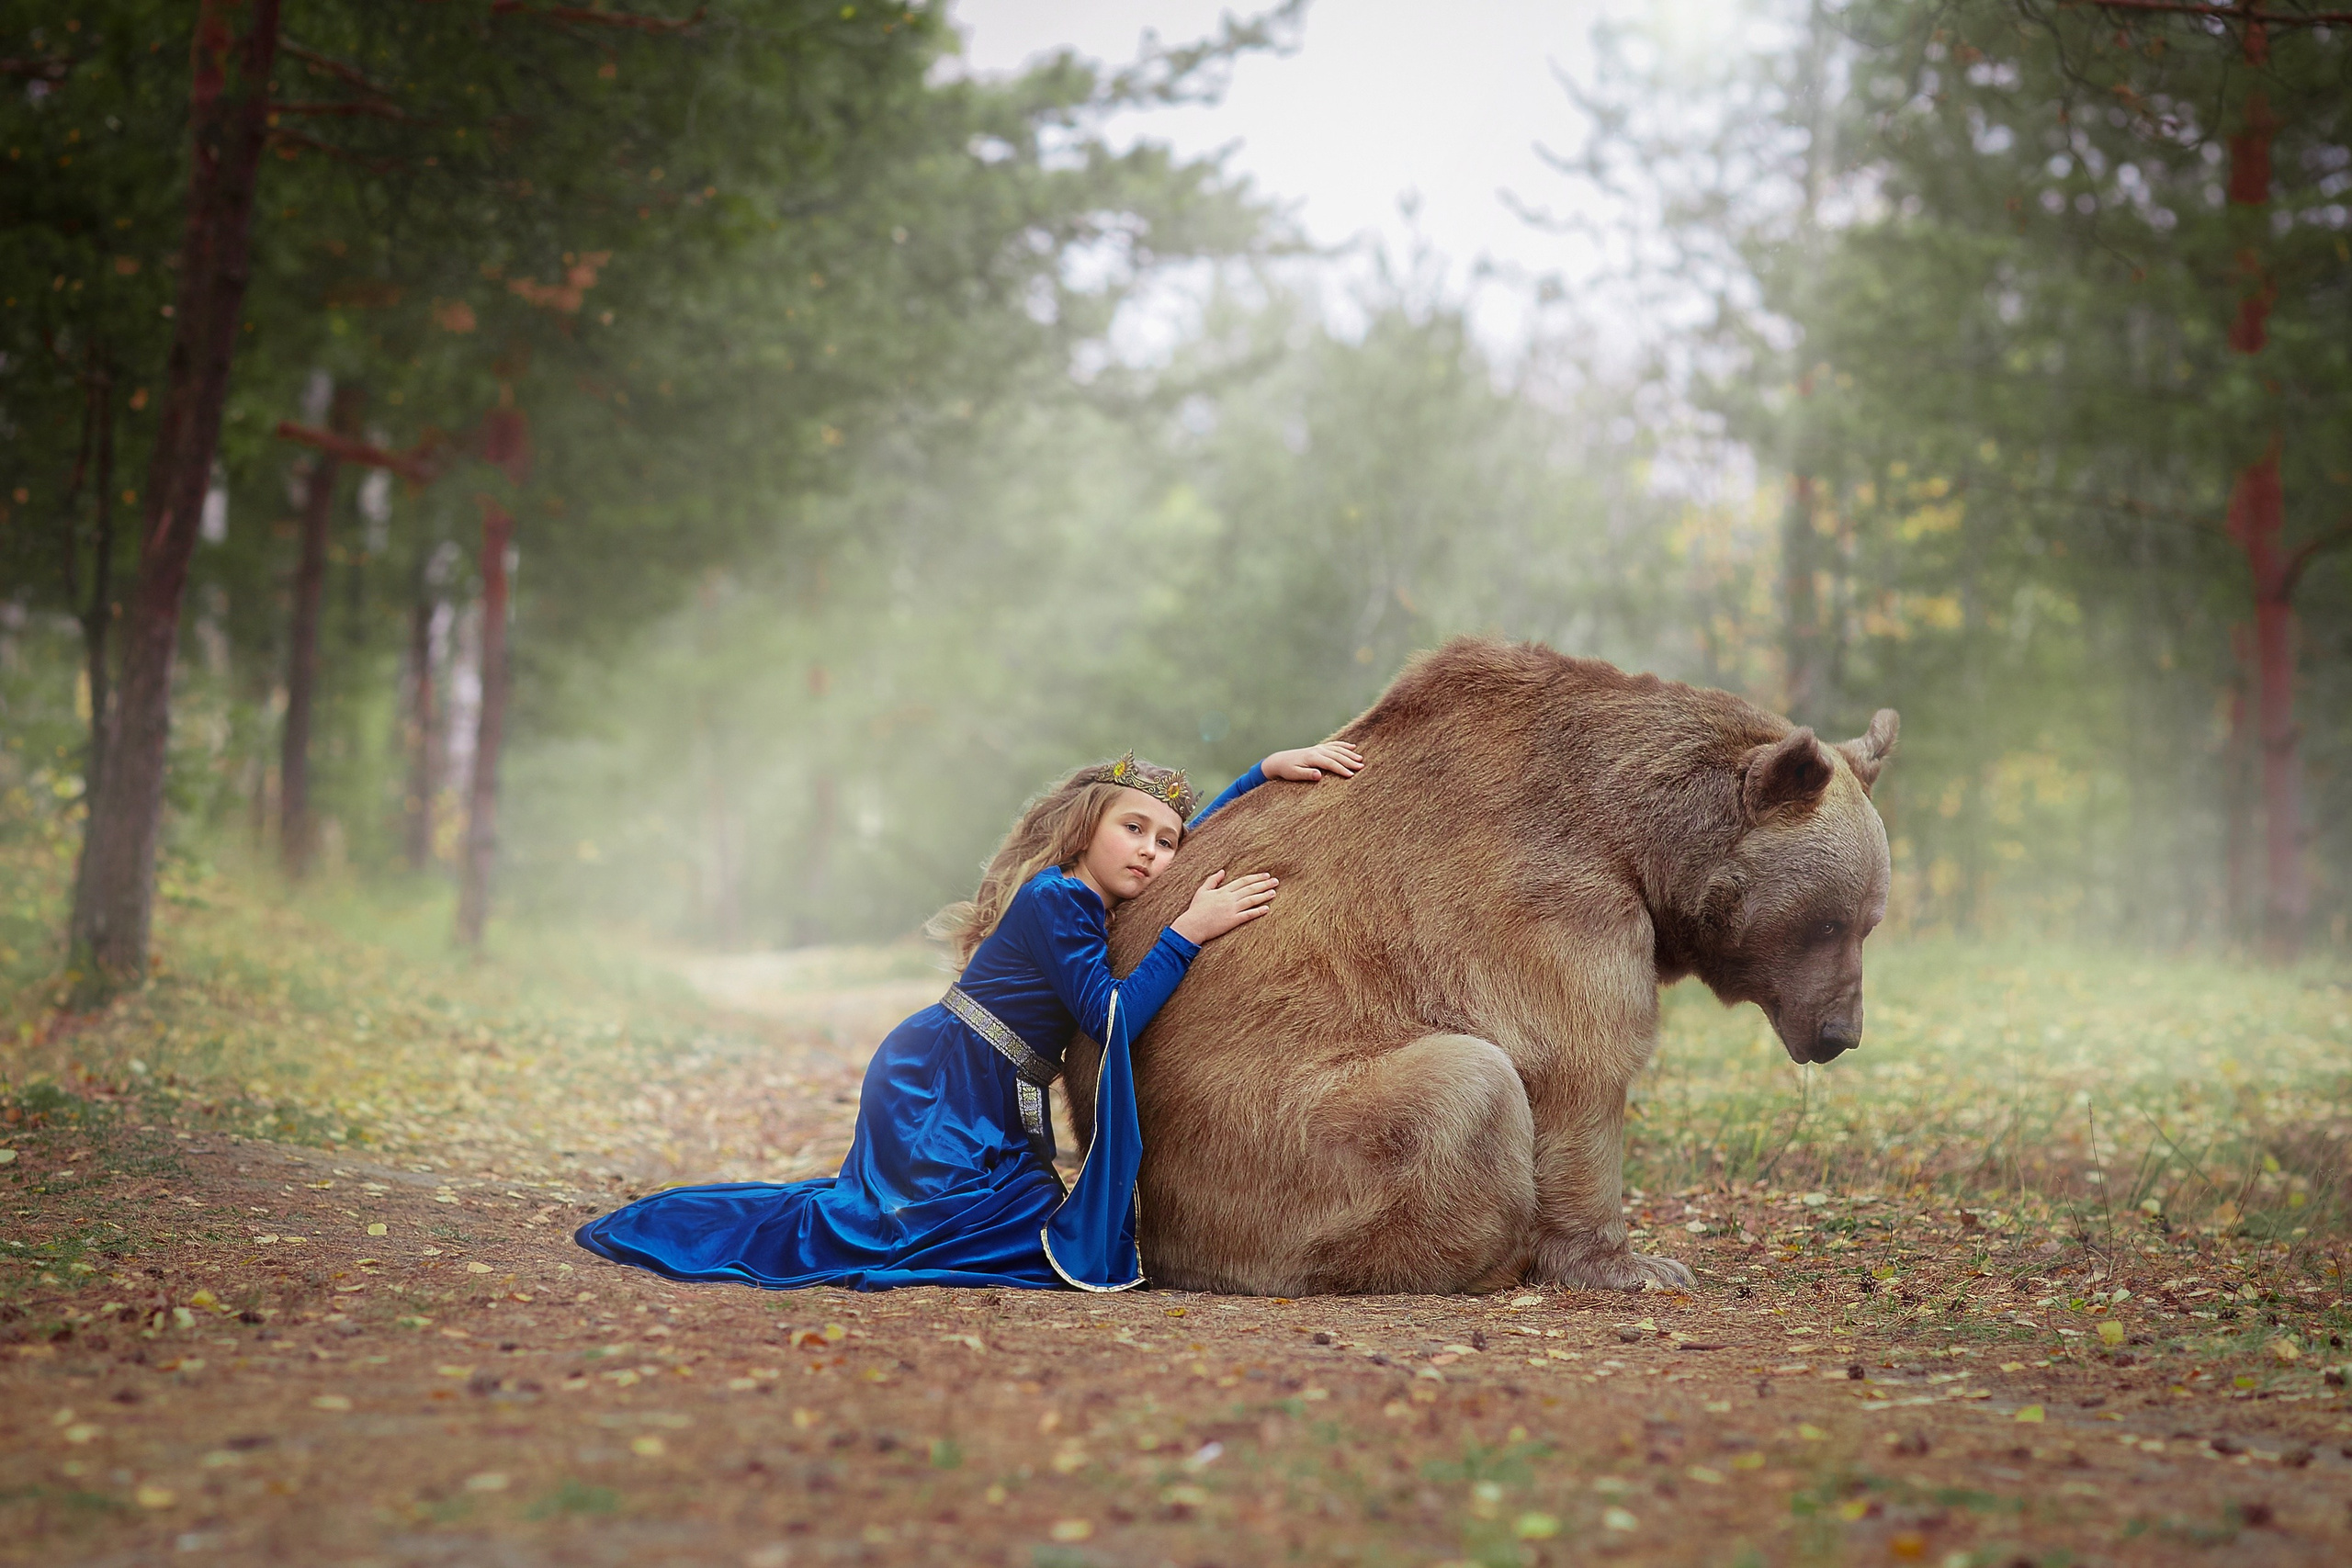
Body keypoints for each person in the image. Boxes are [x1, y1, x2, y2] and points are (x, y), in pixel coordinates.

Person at [574, 739, 1366, 1292]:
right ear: (1085, 824)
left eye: (1167, 844)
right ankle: (682, 1225)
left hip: (987, 1093)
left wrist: (1259, 775)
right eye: (1133, 829)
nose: (1153, 855)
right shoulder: (1058, 899)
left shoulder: (1085, 896)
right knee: (926, 1234)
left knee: (1038, 1231)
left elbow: (1170, 842)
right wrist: (1188, 931)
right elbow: (1111, 1012)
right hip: (938, 1090)